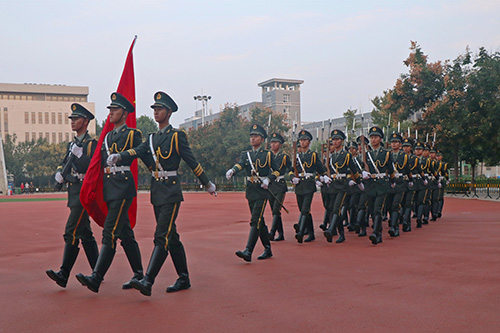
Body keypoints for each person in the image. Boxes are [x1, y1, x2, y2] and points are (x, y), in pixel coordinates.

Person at [107, 91, 216, 296]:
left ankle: (148, 280)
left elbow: (191, 160)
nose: (156, 112)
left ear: (169, 112)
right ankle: (184, 277)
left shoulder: (177, 136)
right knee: (171, 236)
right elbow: (138, 151)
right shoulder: (151, 138)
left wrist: (207, 182)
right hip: (157, 191)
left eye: (159, 109)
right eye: (154, 109)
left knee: (161, 235)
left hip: (172, 191)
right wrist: (119, 156)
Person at [76, 92, 152, 293]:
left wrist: (155, 170)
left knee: (109, 232)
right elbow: (97, 163)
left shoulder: (133, 134)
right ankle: (138, 274)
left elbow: (141, 152)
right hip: (110, 188)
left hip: (123, 187)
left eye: (114, 109)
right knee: (125, 233)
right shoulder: (108, 136)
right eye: (109, 109)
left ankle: (96, 277)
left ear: (124, 112)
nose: (110, 113)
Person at [46, 103, 99, 288]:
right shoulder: (71, 144)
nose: (72, 122)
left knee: (71, 231)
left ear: (86, 122)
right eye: (72, 119)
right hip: (73, 191)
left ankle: (64, 274)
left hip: (84, 193)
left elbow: (93, 167)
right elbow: (64, 162)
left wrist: (81, 157)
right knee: (85, 233)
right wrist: (59, 173)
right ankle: (98, 270)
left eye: (76, 119)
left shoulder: (91, 144)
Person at [226, 124, 280, 262]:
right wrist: (232, 170)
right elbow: (241, 164)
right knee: (259, 221)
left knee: (255, 220)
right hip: (251, 189)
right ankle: (267, 249)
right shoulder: (246, 154)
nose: (252, 138)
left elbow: (277, 170)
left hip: (262, 190)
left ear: (262, 139)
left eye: (255, 136)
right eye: (251, 136)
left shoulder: (267, 154)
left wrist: (268, 179)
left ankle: (248, 250)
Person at [323, 130, 362, 243]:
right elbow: (327, 170)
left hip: (343, 186)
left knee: (337, 208)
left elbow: (353, 169)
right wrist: (324, 177)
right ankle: (341, 234)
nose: (335, 142)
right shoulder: (331, 157)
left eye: (337, 139)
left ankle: (331, 230)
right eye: (333, 140)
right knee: (333, 209)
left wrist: (359, 181)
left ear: (342, 141)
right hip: (333, 185)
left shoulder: (346, 155)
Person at [290, 130, 329, 243]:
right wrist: (292, 177)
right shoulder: (296, 156)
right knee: (303, 210)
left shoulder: (313, 155)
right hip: (299, 185)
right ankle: (311, 233)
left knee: (304, 209)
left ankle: (301, 232)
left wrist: (323, 176)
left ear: (309, 142)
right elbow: (291, 170)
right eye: (301, 140)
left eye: (304, 140)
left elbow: (320, 169)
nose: (302, 142)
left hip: (308, 185)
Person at [359, 127, 396, 245]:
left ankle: (376, 233)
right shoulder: (367, 154)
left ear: (380, 139)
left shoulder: (386, 153)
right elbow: (361, 167)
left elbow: (390, 168)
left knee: (377, 210)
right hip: (370, 184)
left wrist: (392, 180)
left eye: (375, 137)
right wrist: (363, 173)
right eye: (371, 137)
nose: (373, 139)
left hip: (381, 184)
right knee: (371, 209)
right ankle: (378, 231)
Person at [384, 133, 413, 237]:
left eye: (396, 142)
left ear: (400, 144)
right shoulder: (387, 154)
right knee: (388, 206)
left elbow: (407, 169)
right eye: (392, 142)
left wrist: (410, 179)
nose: (394, 144)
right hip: (390, 182)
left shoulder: (404, 155)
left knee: (395, 206)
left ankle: (394, 227)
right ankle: (394, 223)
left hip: (400, 183)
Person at [267, 133, 291, 241]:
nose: (273, 144)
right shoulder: (267, 156)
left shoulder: (284, 157)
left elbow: (290, 168)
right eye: (272, 142)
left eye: (275, 142)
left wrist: (292, 177)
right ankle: (280, 234)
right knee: (274, 211)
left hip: (280, 184)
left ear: (280, 145)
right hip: (270, 185)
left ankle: (272, 232)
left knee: (276, 209)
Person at [413, 142, 430, 228]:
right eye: (416, 149)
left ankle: (422, 217)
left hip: (423, 182)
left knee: (422, 200)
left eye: (419, 149)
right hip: (415, 181)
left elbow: (432, 170)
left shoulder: (427, 160)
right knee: (415, 200)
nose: (418, 151)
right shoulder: (412, 159)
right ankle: (416, 214)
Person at [436, 150, 449, 218]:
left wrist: (447, 179)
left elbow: (446, 172)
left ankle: (439, 210)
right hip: (435, 180)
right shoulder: (433, 163)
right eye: (437, 156)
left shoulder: (444, 164)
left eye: (439, 156)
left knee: (440, 197)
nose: (438, 157)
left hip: (441, 180)